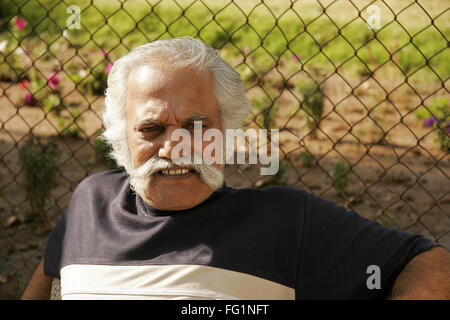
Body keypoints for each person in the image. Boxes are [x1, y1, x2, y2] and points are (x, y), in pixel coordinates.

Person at [22, 37, 449, 300]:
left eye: (195, 125)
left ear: (226, 131)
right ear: (121, 137)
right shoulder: (90, 201)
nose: (174, 146)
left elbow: (431, 264)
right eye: (151, 128)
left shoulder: (284, 220)